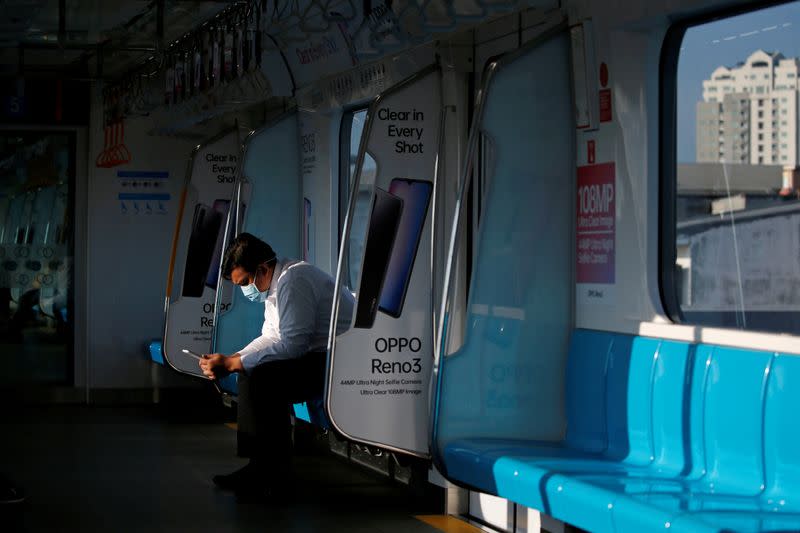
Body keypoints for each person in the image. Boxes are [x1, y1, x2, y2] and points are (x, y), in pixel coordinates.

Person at [199, 233, 353, 501]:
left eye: (245, 282)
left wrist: (236, 362)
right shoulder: (276, 286)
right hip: (319, 357)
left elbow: (292, 345)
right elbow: (271, 337)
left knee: (262, 378)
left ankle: (273, 472)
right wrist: (233, 358)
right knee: (251, 371)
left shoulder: (294, 281)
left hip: (340, 361)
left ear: (262, 268)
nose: (246, 289)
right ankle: (260, 467)